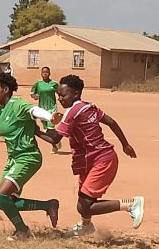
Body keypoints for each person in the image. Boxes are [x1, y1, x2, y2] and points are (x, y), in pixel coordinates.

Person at [37, 74, 144, 237]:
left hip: (101, 160)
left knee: (84, 206)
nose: (60, 98)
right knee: (84, 200)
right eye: (59, 95)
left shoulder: (72, 112)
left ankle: (131, 204)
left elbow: (54, 138)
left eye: (64, 95)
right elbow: (111, 122)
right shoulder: (89, 106)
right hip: (92, 160)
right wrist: (125, 144)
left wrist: (34, 130)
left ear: (76, 94)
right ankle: (86, 225)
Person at [0, 72, 59, 240]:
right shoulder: (1, 107)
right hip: (13, 159)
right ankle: (49, 205)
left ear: (5, 90)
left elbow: (34, 110)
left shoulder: (17, 104)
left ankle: (22, 231)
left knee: (1, 195)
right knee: (5, 202)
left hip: (28, 157)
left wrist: (50, 117)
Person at [30, 66, 61, 154]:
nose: (45, 73)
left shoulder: (53, 83)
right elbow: (32, 93)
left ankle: (54, 146)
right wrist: (35, 96)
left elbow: (60, 92)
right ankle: (57, 140)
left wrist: (60, 97)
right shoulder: (38, 84)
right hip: (42, 109)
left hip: (52, 108)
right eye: (43, 72)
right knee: (46, 129)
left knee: (50, 128)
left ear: (49, 73)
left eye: (46, 72)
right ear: (41, 73)